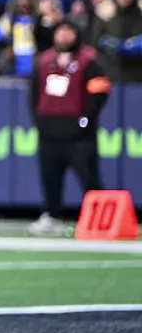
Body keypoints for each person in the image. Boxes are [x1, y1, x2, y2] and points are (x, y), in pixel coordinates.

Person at [27, 18, 109, 236]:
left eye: (68, 31)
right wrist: (39, 121)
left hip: (78, 133)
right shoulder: (44, 61)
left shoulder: (88, 61)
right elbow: (34, 94)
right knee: (50, 177)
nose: (64, 36)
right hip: (50, 130)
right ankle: (52, 216)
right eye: (60, 31)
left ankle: (99, 218)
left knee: (89, 177)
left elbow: (99, 94)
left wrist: (85, 121)